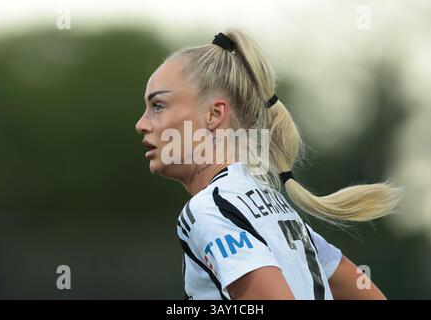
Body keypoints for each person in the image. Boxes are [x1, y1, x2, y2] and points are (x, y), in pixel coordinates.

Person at [135, 29, 403, 300]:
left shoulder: (208, 210)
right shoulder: (275, 206)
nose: (141, 124)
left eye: (158, 106)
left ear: (214, 114)